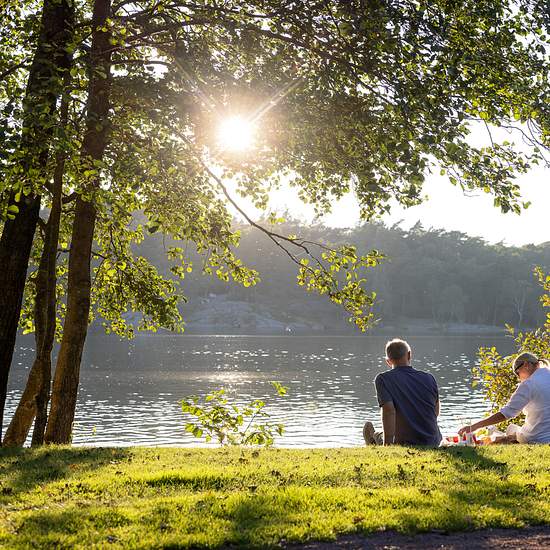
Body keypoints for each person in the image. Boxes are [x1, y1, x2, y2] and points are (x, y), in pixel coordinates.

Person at [363, 338, 442, 446]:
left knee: (377, 435)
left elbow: (389, 411)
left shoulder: (383, 379)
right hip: (433, 441)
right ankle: (374, 438)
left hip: (404, 442)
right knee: (381, 433)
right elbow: (435, 412)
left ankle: (372, 438)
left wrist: (388, 445)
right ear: (409, 355)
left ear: (388, 361)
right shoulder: (429, 378)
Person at [458, 352, 550, 444]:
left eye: (517, 373)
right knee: (513, 430)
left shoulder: (529, 384)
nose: (519, 378)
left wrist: (474, 427)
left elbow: (506, 413)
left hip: (538, 438)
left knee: (510, 429)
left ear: (526, 365)